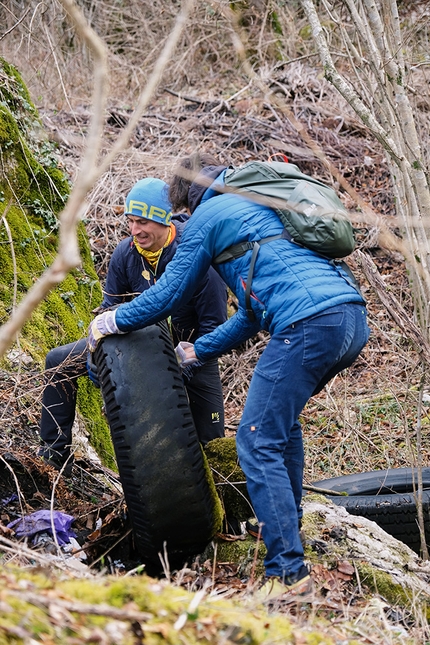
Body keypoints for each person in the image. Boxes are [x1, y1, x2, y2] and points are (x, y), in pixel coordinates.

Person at [87, 153, 370, 595]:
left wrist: (114, 320)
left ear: (185, 202)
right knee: (280, 424)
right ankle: (285, 523)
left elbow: (169, 292)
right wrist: (196, 351)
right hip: (349, 320)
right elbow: (250, 316)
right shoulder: (255, 208)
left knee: (256, 439)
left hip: (308, 325)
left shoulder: (210, 215)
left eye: (180, 212)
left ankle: (287, 574)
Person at [39, 177, 227, 475]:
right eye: (130, 222)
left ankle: (227, 517)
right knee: (57, 361)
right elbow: (108, 312)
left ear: (165, 221)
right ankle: (53, 459)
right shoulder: (125, 255)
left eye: (143, 222)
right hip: (139, 349)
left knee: (214, 444)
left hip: (194, 355)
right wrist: (95, 354)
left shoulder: (196, 256)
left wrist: (183, 367)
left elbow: (216, 330)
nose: (135, 231)